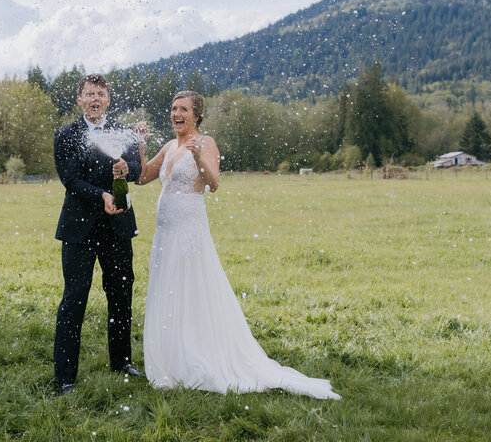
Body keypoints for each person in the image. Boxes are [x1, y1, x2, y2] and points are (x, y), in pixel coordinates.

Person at [136, 90, 340, 399]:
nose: (177, 114)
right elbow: (142, 176)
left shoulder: (206, 144)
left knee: (191, 289)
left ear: (196, 116)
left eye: (184, 109)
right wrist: (141, 143)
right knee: (168, 288)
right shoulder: (168, 146)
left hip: (189, 228)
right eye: (174, 108)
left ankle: (196, 355)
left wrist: (196, 156)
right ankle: (171, 357)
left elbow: (214, 183)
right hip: (165, 232)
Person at [52, 73, 145, 395]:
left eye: (101, 94)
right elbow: (70, 179)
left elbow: (136, 168)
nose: (95, 99)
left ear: (108, 99)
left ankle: (122, 362)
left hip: (117, 225)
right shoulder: (65, 135)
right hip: (79, 228)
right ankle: (64, 377)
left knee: (121, 295)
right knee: (74, 299)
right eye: (89, 94)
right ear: (79, 100)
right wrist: (101, 195)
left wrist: (126, 171)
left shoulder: (124, 132)